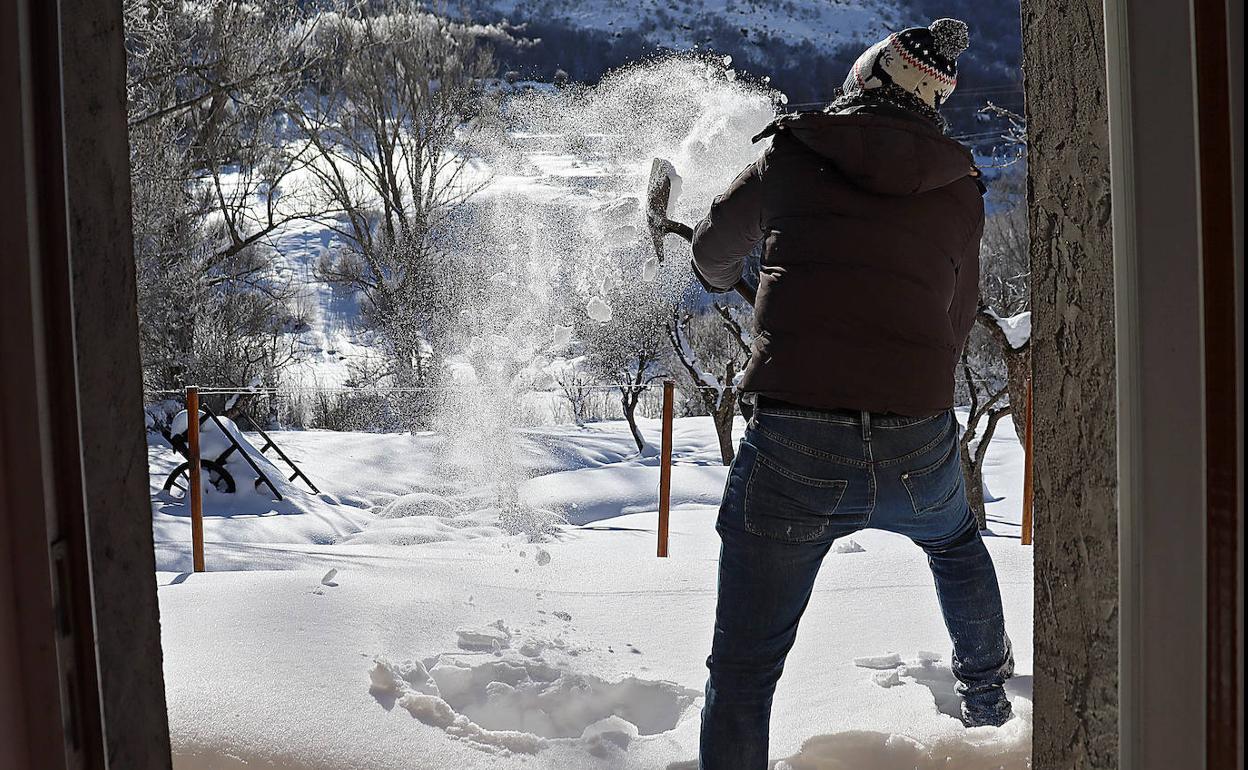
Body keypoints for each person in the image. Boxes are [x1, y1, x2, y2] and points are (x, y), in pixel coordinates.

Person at [690, 18, 1015, 769]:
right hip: (917, 437)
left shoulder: (791, 152)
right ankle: (991, 714)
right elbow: (958, 315)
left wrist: (739, 274)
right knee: (957, 543)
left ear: (862, 79)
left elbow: (712, 259)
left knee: (743, 674)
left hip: (793, 446)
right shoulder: (962, 185)